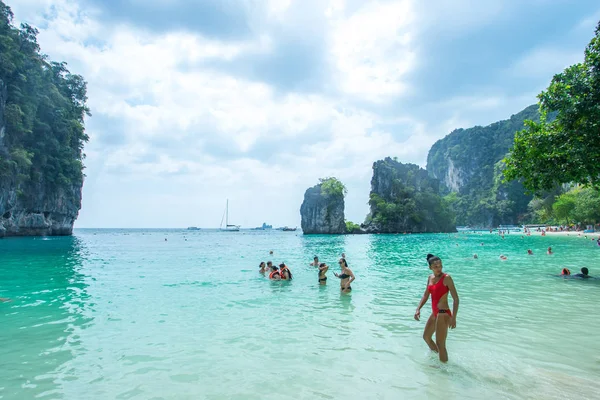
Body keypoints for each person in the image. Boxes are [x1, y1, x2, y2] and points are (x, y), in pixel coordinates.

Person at [414, 254, 459, 363]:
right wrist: (418, 309)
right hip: (435, 313)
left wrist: (453, 318)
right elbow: (426, 295)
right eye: (435, 267)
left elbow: (456, 299)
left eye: (440, 266)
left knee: (440, 343)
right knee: (426, 337)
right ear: (430, 267)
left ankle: (444, 369)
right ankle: (438, 358)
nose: (439, 269)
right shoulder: (430, 278)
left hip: (443, 313)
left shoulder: (447, 278)